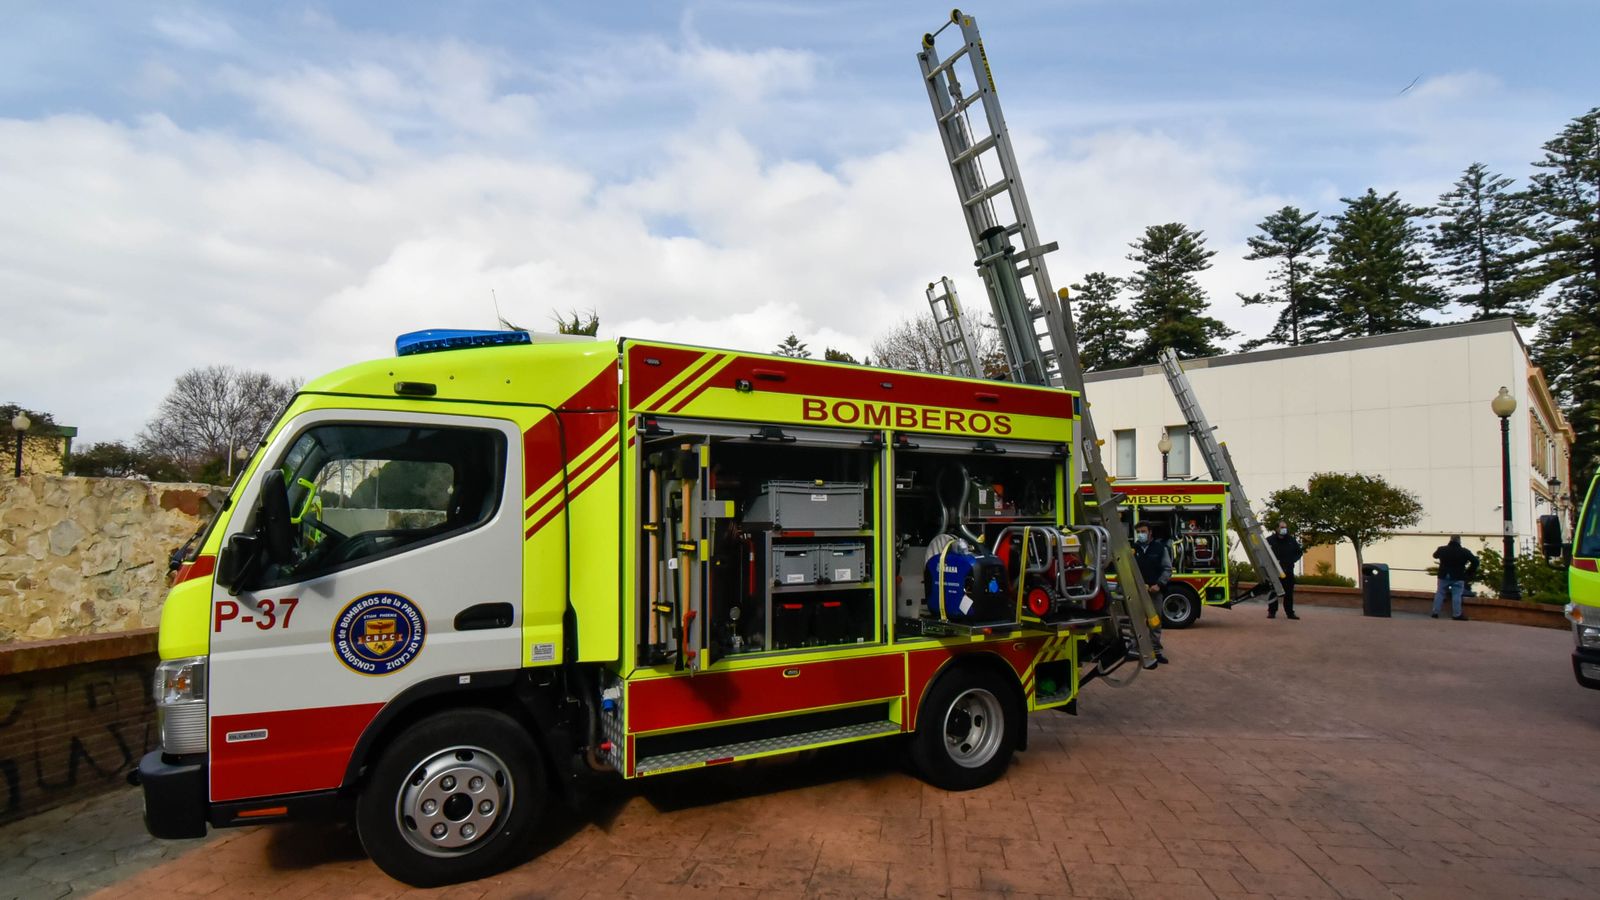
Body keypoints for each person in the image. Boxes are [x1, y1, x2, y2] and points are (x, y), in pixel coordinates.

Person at [1132, 522, 1171, 664]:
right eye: (1138, 532)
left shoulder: (1160, 549)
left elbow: (1167, 569)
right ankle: (1135, 649)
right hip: (1137, 592)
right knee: (1136, 621)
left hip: (1154, 592)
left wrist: (1159, 585)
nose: (1140, 534)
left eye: (1143, 531)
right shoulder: (1133, 549)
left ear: (1150, 532)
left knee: (1154, 622)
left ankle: (1155, 651)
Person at [1431, 536, 1479, 621]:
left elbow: (1435, 555)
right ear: (1459, 541)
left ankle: (1435, 612)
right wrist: (1469, 572)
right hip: (1458, 576)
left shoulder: (1442, 549)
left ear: (1450, 540)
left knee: (1440, 593)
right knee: (1457, 595)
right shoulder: (1464, 551)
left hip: (1443, 575)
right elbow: (1475, 561)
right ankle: (1457, 614)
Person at [1266, 522, 1303, 620]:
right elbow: (1264, 554)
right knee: (1273, 592)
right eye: (1282, 527)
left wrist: (1292, 560)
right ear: (1277, 528)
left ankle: (1290, 613)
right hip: (1274, 572)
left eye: (1285, 527)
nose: (1284, 529)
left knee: (1289, 593)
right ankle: (1272, 612)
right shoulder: (1269, 540)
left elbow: (1299, 553)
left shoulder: (1291, 540)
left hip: (1288, 570)